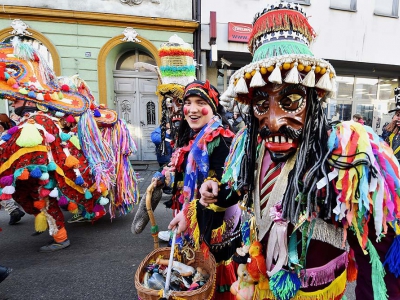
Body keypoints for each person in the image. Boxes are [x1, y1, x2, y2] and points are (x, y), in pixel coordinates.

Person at [200, 3, 400, 300]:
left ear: (314, 96)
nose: (272, 120)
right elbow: (240, 191)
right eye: (260, 104)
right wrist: (216, 192)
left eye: (290, 100)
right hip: (262, 285)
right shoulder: (248, 145)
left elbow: (382, 256)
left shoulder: (347, 155)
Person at [0, 40, 138, 252]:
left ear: (29, 100)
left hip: (50, 175)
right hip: (46, 174)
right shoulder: (36, 120)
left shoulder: (39, 121)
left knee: (46, 200)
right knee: (44, 201)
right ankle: (53, 230)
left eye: (16, 101)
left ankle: (60, 237)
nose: (12, 104)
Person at [167, 80, 240, 299]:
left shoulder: (223, 140)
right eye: (188, 102)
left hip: (216, 227)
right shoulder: (196, 137)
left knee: (213, 283)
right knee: (198, 279)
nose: (193, 109)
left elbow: (231, 191)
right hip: (197, 219)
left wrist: (192, 209)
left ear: (213, 107)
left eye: (201, 102)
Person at [0, 113, 25, 225]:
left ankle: (14, 210)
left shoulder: (6, 135)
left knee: (4, 188)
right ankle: (13, 211)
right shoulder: (10, 133)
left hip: (5, 164)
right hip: (8, 164)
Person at [381, 87, 400, 163]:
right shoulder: (392, 129)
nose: (398, 118)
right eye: (398, 115)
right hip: (391, 164)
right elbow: (383, 141)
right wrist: (392, 123)